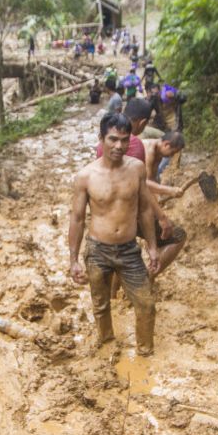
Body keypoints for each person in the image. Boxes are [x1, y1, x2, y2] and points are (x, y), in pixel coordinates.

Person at [68, 113, 160, 355]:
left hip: (129, 250)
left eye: (124, 140)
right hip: (98, 249)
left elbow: (145, 210)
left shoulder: (137, 169)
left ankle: (145, 352)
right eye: (113, 139)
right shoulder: (85, 176)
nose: (119, 146)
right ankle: (107, 343)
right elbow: (77, 219)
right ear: (101, 139)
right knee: (100, 304)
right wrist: (73, 260)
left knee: (147, 304)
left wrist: (152, 246)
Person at [124, 98, 188, 275]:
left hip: (132, 206)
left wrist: (156, 205)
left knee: (123, 250)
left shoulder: (155, 150)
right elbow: (142, 183)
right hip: (132, 207)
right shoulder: (145, 149)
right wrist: (168, 193)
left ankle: (117, 293)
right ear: (166, 144)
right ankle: (148, 277)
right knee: (178, 236)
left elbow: (149, 182)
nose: (172, 157)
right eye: (173, 153)